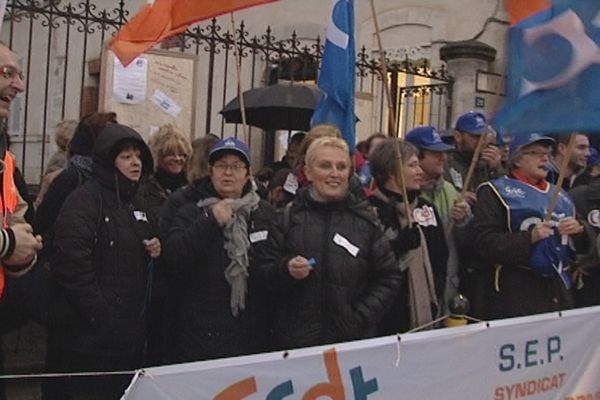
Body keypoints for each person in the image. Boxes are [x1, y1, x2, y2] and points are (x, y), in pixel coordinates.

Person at [47, 123, 160, 400]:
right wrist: (102, 314)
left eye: (138, 156)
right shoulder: (85, 200)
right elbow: (70, 262)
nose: (135, 162)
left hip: (128, 339)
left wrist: (155, 247)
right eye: (126, 156)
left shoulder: (138, 201)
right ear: (109, 160)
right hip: (90, 342)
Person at [256, 136, 400, 350]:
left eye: (341, 167)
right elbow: (263, 273)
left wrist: (359, 317)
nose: (334, 173)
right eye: (325, 166)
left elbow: (388, 278)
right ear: (308, 172)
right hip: (295, 347)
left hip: (349, 348)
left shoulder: (365, 222)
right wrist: (286, 270)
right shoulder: (287, 219)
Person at [163, 137, 275, 362]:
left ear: (247, 174)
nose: (228, 173)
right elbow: (174, 257)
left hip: (250, 334)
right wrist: (210, 221)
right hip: (200, 334)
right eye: (221, 166)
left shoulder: (264, 213)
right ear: (211, 171)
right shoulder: (189, 210)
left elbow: (272, 266)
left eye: (236, 167)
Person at [471, 133, 583, 319]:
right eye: (536, 153)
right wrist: (528, 238)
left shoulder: (560, 195)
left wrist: (579, 229)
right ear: (517, 159)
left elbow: (582, 242)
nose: (545, 158)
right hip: (514, 291)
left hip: (557, 290)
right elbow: (483, 241)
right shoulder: (494, 192)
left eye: (547, 153)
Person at [368, 139, 448, 332]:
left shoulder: (426, 208)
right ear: (391, 171)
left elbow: (441, 257)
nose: (420, 171)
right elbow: (364, 263)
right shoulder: (370, 210)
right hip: (384, 318)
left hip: (425, 312)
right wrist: (397, 246)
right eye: (412, 165)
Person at [136, 124, 191, 366]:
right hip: (156, 277)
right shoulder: (144, 188)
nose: (177, 159)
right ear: (159, 156)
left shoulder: (192, 189)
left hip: (185, 275)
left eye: (181, 154)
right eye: (171, 153)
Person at [405, 126, 471, 308]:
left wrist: (465, 219)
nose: (444, 158)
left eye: (444, 153)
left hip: (447, 285)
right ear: (416, 156)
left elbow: (466, 241)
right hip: (413, 288)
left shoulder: (450, 190)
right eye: (436, 154)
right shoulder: (403, 194)